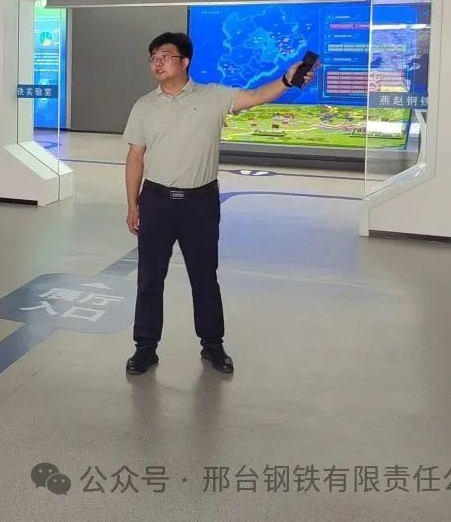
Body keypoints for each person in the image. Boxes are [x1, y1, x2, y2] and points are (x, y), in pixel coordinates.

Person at [123, 32, 315, 376]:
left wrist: (287, 79)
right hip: (156, 202)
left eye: (165, 56)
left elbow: (257, 96)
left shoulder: (213, 96)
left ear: (185, 62)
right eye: (153, 57)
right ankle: (145, 347)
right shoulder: (143, 106)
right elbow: (135, 157)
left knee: (204, 277)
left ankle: (212, 343)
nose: (157, 63)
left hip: (199, 203)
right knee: (149, 278)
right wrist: (132, 204)